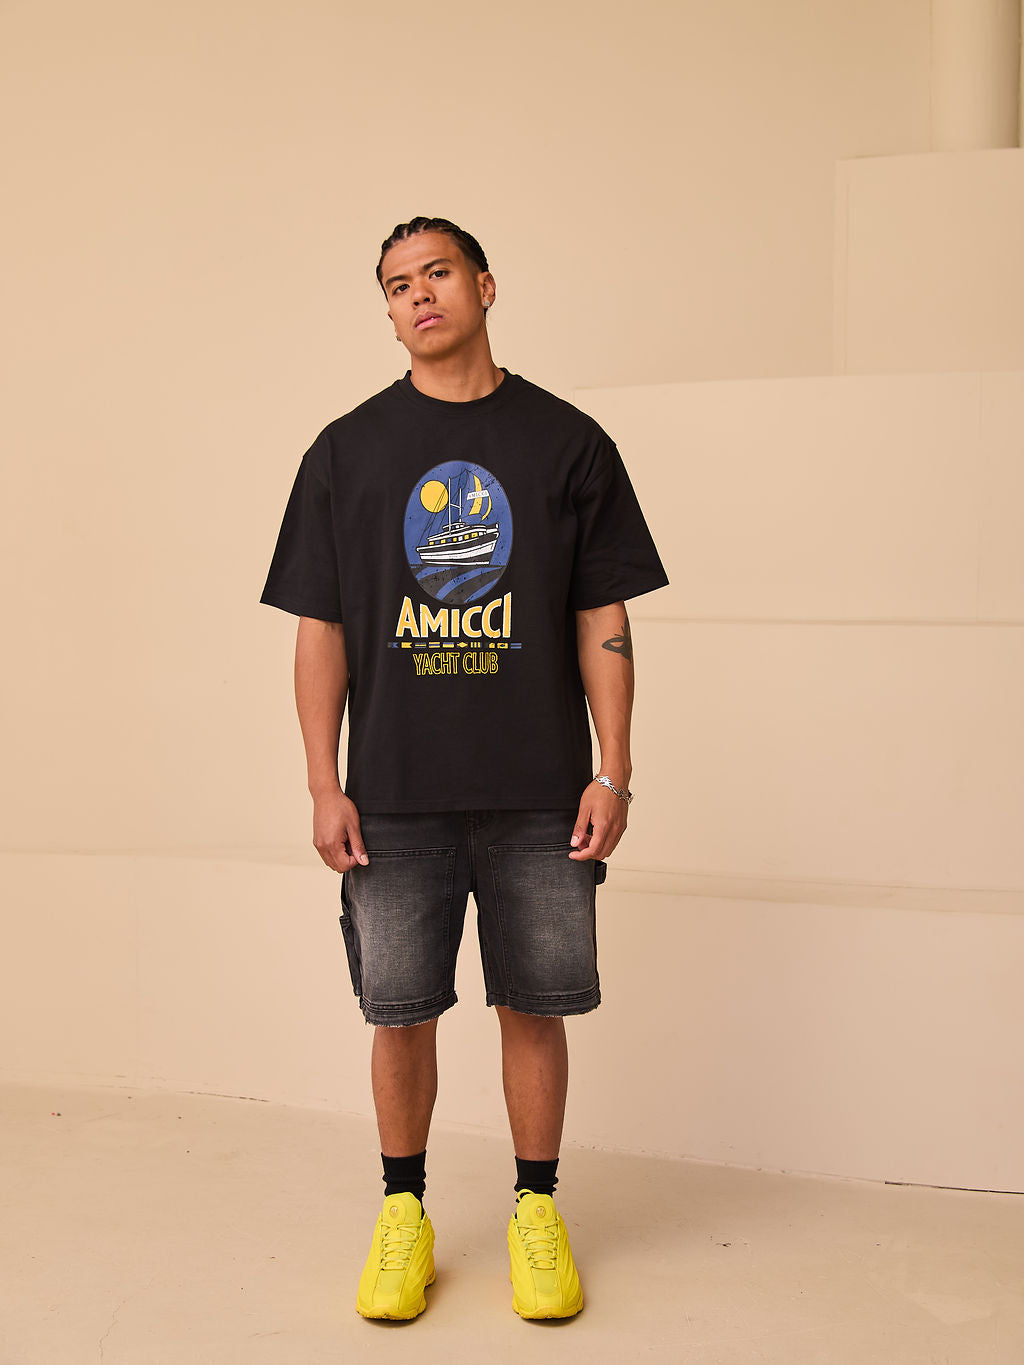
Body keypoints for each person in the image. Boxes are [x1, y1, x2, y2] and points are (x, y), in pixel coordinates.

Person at [259, 216, 668, 1321]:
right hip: (393, 794)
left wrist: (614, 770)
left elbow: (602, 612)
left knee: (535, 1007)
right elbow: (319, 629)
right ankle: (404, 1212)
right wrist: (323, 782)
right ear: (388, 312)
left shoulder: (568, 442)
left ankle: (537, 1209)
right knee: (399, 1012)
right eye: (397, 285)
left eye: (437, 272)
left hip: (541, 789)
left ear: (485, 285)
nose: (419, 295)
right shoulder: (344, 452)